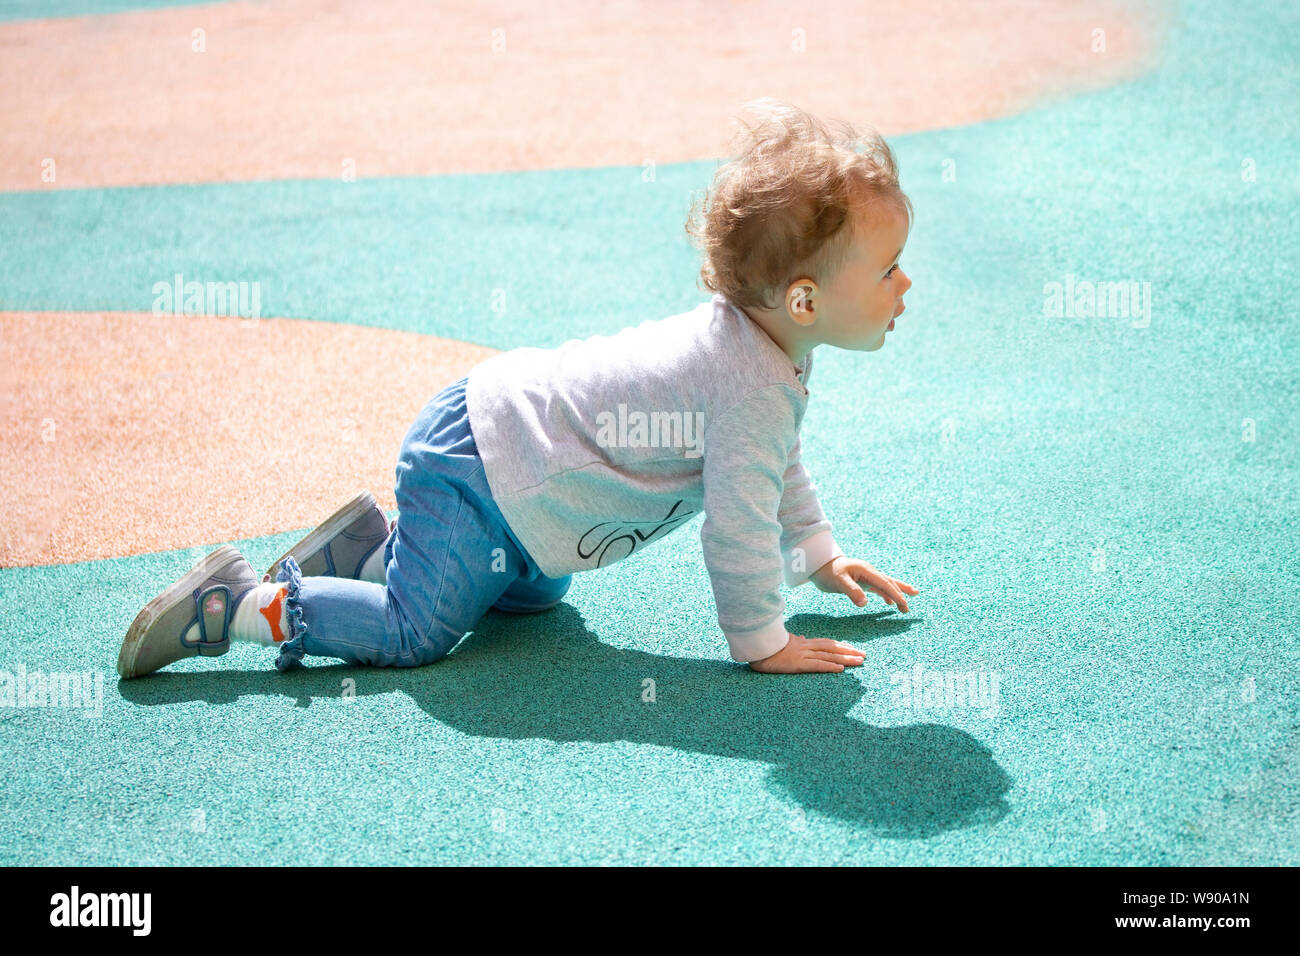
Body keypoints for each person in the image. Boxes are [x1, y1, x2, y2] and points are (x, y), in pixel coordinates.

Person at [117, 97, 919, 680]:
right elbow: (738, 522)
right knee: (415, 634)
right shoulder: (752, 382)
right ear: (804, 299)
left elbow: (775, 462)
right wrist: (762, 640)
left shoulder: (767, 353)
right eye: (886, 270)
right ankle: (240, 606)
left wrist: (819, 555)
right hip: (481, 465)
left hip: (511, 468)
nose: (904, 283)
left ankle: (373, 552)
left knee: (532, 596)